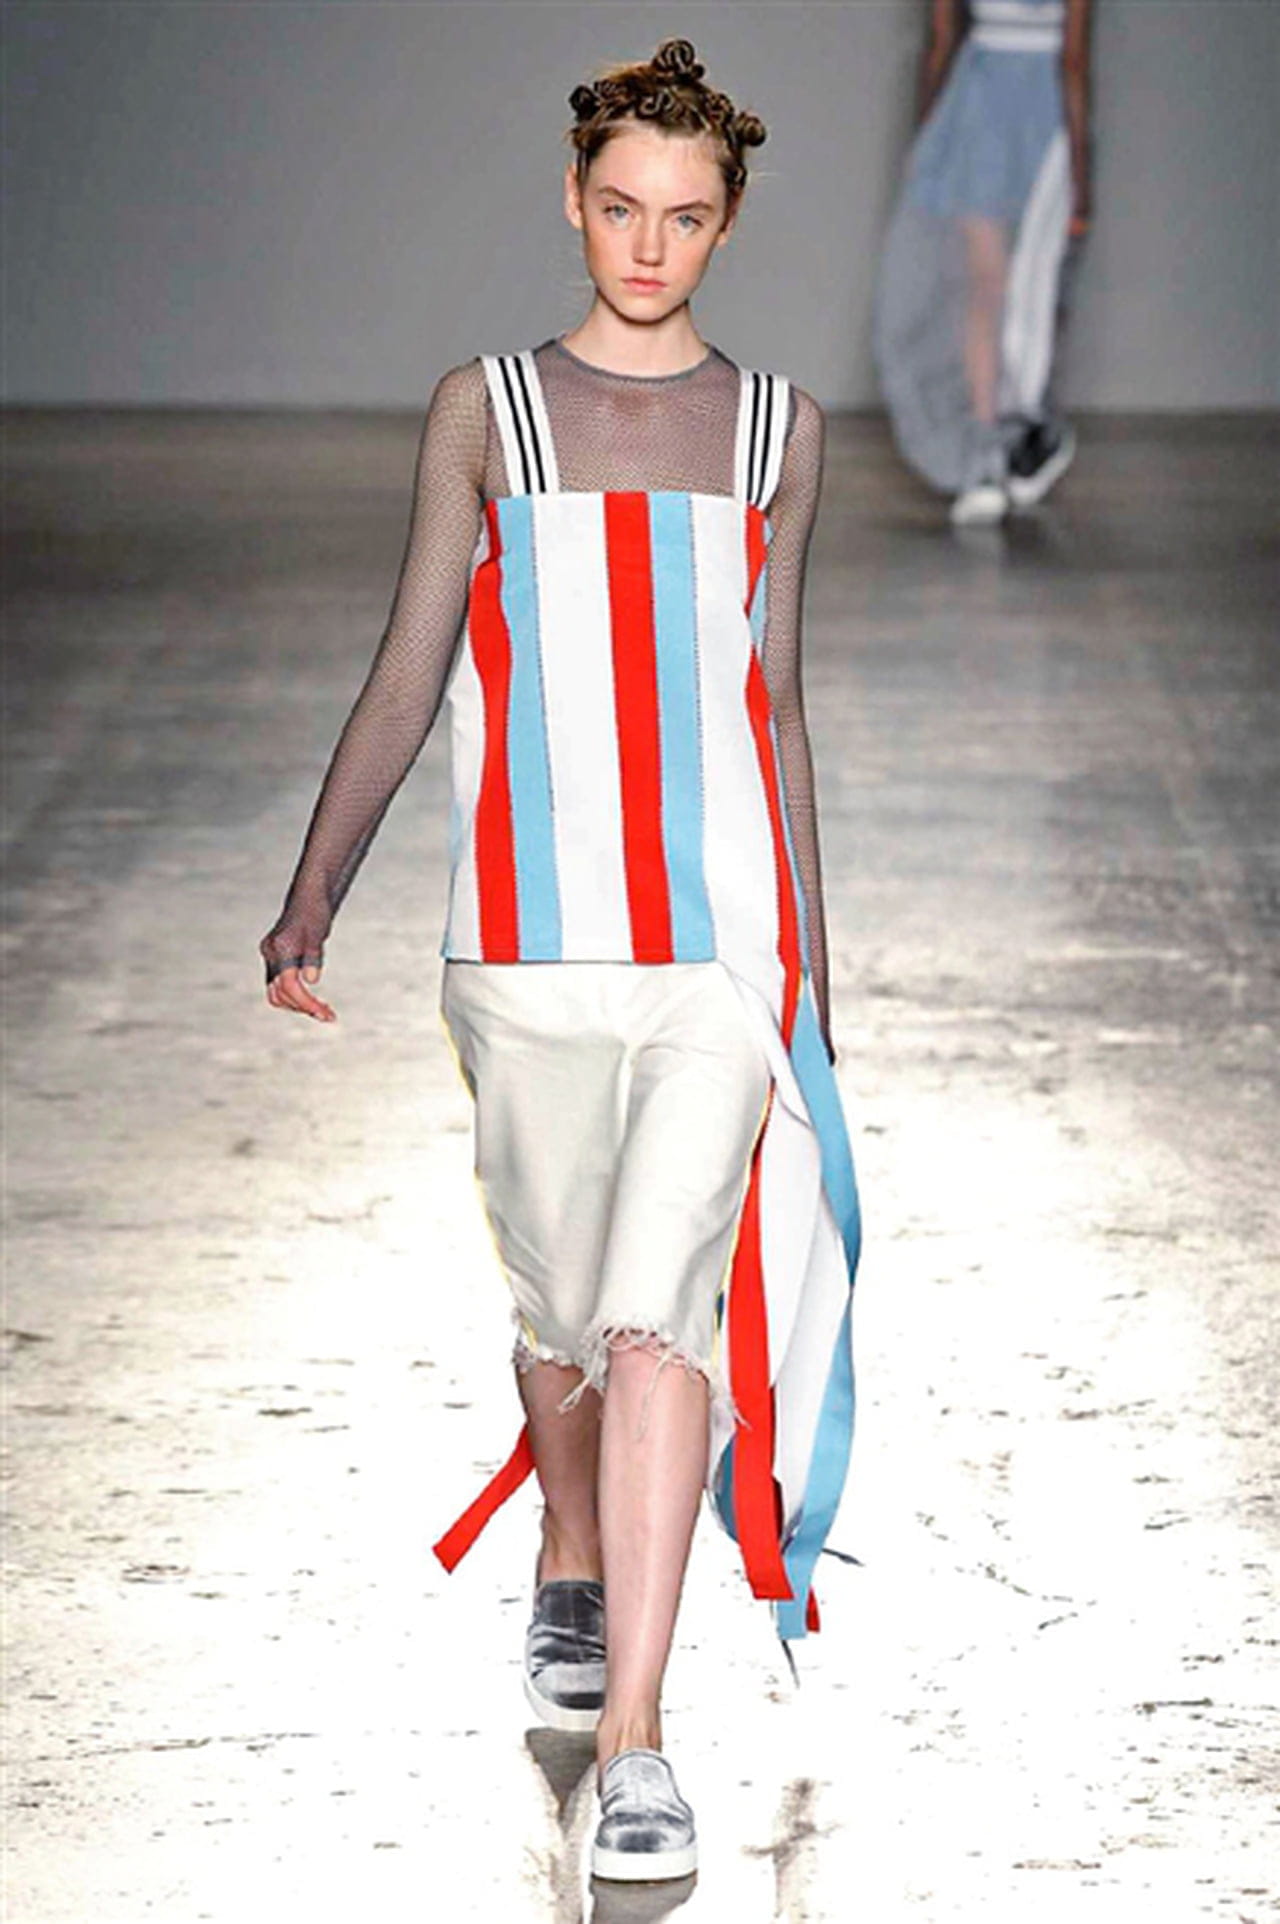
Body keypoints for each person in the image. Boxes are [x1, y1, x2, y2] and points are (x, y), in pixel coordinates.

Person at [260, 38, 859, 1885]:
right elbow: (410, 663)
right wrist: (313, 892)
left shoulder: (780, 433)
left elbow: (775, 705)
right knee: (561, 1306)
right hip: (521, 948)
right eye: (621, 207)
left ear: (728, 223)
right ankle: (570, 1548)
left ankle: (640, 1740)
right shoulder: (488, 412)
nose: (650, 244)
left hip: (715, 952)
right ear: (575, 202)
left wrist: (813, 970)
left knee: (658, 1313)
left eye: (686, 215)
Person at [874, 0, 1094, 524]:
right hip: (1038, 112)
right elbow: (1075, 60)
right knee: (1027, 287)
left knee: (989, 290)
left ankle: (991, 451)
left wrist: (927, 141)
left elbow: (941, 44)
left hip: (978, 110)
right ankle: (1011, 440)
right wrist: (1083, 170)